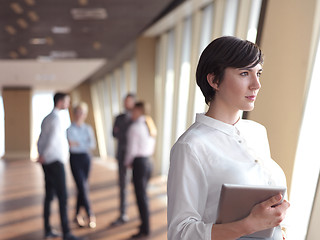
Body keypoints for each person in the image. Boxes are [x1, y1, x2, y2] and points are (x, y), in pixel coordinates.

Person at [167, 36, 290, 240]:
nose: (256, 84)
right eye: (244, 73)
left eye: (258, 73)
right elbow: (180, 233)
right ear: (214, 80)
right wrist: (247, 226)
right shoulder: (191, 146)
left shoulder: (257, 132)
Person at [37, 92, 79, 240]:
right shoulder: (56, 119)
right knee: (62, 197)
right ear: (60, 102)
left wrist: (41, 154)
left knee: (49, 196)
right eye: (67, 101)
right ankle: (67, 233)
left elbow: (41, 139)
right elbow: (51, 140)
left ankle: (48, 230)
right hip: (54, 162)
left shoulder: (47, 118)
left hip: (48, 162)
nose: (68, 104)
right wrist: (44, 155)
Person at [124, 102, 156, 238]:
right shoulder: (149, 125)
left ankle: (145, 229)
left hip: (139, 163)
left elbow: (131, 150)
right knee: (143, 195)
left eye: (133, 111)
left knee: (140, 197)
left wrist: (127, 163)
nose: (131, 113)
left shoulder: (135, 127)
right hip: (149, 162)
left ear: (138, 110)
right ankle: (144, 224)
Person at [67, 102, 96, 229]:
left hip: (86, 159)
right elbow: (72, 147)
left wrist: (78, 143)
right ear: (74, 113)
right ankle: (90, 214)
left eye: (82, 113)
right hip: (75, 159)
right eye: (78, 112)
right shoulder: (69, 129)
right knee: (82, 186)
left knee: (82, 187)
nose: (80, 115)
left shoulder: (88, 128)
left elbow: (92, 145)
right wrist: (82, 143)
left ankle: (77, 214)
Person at [111, 93, 136, 226]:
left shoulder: (137, 118)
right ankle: (123, 213)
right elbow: (114, 133)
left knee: (138, 187)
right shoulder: (119, 117)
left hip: (136, 157)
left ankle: (142, 217)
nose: (127, 104)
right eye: (125, 101)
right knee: (123, 185)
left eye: (129, 101)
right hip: (122, 155)